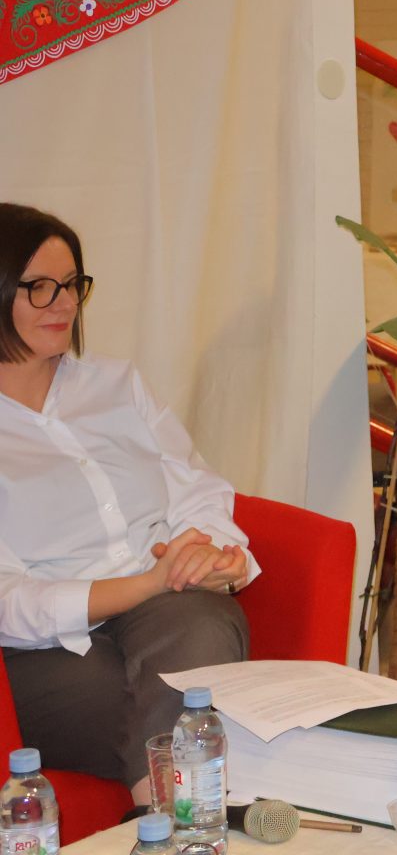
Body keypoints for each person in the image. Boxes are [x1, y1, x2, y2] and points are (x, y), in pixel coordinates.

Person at [0, 204, 256, 804]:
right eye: (39, 287)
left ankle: (159, 825)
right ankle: (182, 816)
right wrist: (146, 584)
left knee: (204, 624)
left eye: (72, 285)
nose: (64, 304)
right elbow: (7, 601)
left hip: (164, 606)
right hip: (42, 645)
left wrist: (217, 554)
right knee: (125, 692)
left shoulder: (117, 384)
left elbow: (195, 488)